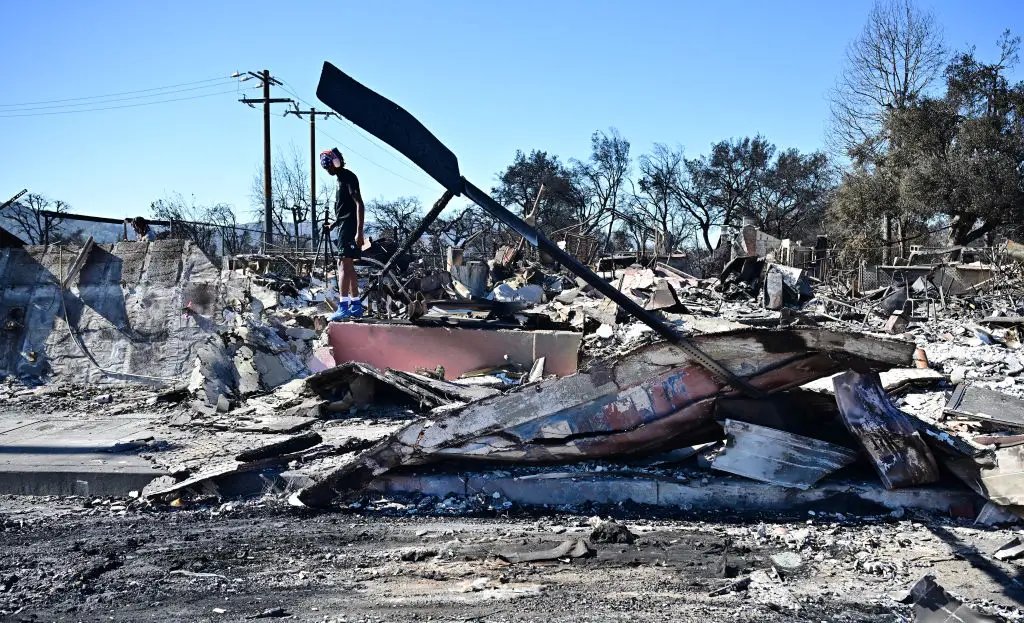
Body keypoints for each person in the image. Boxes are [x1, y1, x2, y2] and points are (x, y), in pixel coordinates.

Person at [319, 147, 365, 320]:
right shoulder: (340, 179)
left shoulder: (348, 178)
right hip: (344, 225)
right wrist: (334, 224)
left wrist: (359, 232)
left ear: (336, 162)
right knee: (349, 265)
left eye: (329, 166)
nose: (328, 170)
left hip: (350, 227)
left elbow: (359, 204)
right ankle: (356, 305)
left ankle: (343, 305)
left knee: (342, 265)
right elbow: (345, 209)